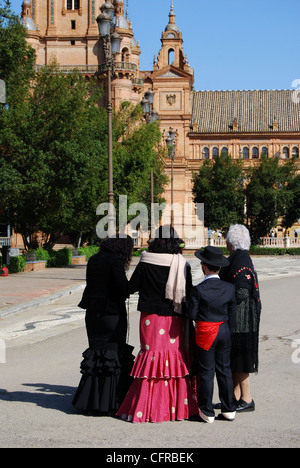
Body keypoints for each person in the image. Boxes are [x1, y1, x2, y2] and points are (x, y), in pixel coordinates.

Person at [116, 225, 199, 423]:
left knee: (151, 357)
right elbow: (188, 293)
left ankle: (145, 406)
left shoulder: (146, 261)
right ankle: (175, 407)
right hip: (175, 317)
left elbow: (131, 287)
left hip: (150, 317)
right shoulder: (182, 263)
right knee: (174, 358)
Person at [72, 235, 135, 415]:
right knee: (112, 354)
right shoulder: (115, 260)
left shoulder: (94, 259)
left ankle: (91, 399)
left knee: (96, 353)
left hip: (92, 313)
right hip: (111, 313)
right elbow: (122, 287)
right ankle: (111, 401)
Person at [187, 246, 237, 423]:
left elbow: (191, 314)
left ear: (203, 266)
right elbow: (232, 313)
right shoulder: (229, 288)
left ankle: (207, 411)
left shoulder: (199, 289)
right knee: (224, 370)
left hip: (206, 331)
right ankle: (229, 408)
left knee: (206, 372)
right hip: (224, 329)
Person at [219, 224, 262, 412]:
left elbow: (242, 292)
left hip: (242, 320)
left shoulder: (240, 261)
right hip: (242, 318)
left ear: (230, 243)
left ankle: (246, 398)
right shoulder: (240, 258)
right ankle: (234, 397)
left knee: (242, 358)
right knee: (235, 359)